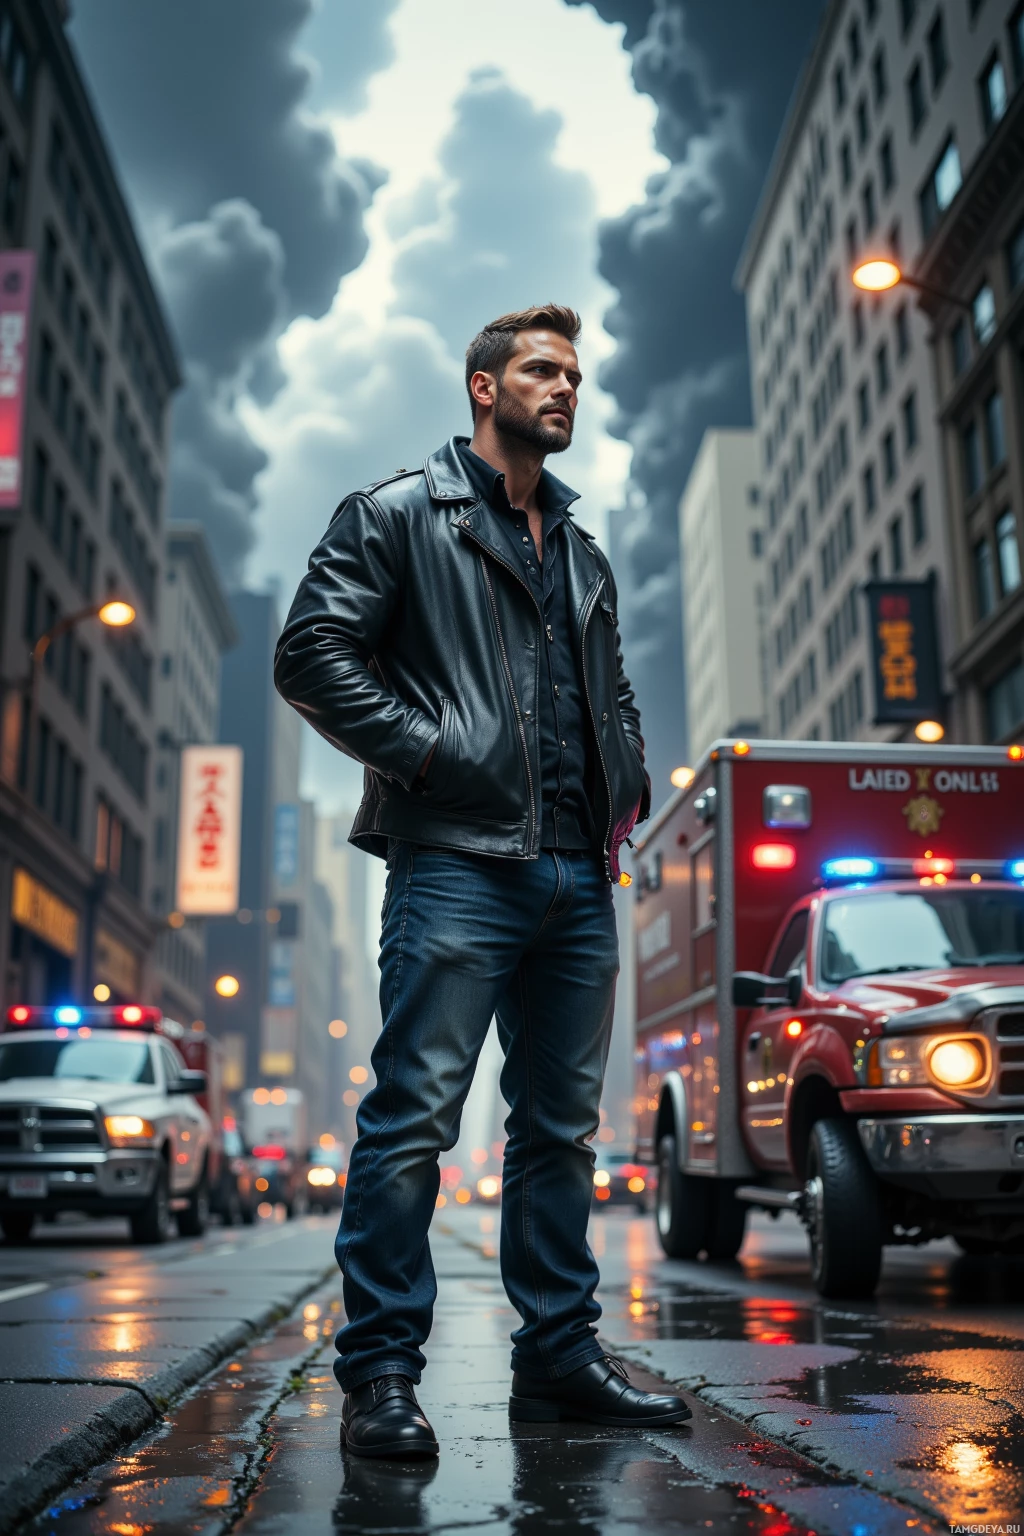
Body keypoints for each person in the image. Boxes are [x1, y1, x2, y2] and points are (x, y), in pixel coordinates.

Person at [274, 304, 691, 1459]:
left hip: (575, 873)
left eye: (573, 374)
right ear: (482, 388)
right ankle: (382, 1378)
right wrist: (433, 753)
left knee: (559, 1130)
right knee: (413, 1118)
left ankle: (559, 1356)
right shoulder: (399, 515)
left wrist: (628, 783)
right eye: (541, 371)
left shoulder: (583, 549)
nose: (564, 390)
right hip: (456, 862)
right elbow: (311, 654)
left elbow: (608, 694)